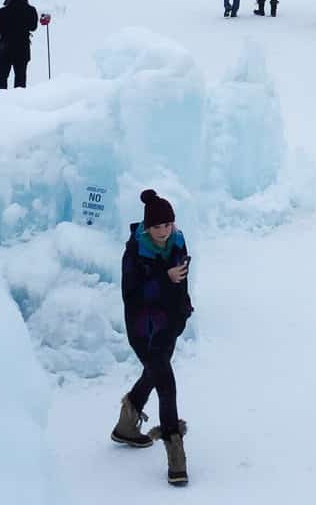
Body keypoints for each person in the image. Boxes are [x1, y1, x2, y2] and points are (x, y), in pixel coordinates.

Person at [114, 189, 192, 487]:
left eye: (168, 224)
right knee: (166, 383)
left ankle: (126, 423)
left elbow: (181, 285)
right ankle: (176, 454)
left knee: (155, 373)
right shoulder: (134, 253)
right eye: (158, 226)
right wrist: (165, 277)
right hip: (143, 329)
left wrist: (183, 310)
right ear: (147, 227)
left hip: (169, 325)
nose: (164, 231)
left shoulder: (178, 242)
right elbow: (131, 296)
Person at [0, 0, 38, 89]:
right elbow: (33, 27)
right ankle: (19, 102)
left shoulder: (3, 11)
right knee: (20, 79)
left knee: (2, 78)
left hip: (5, 48)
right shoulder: (30, 10)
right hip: (23, 48)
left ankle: (0, 101)